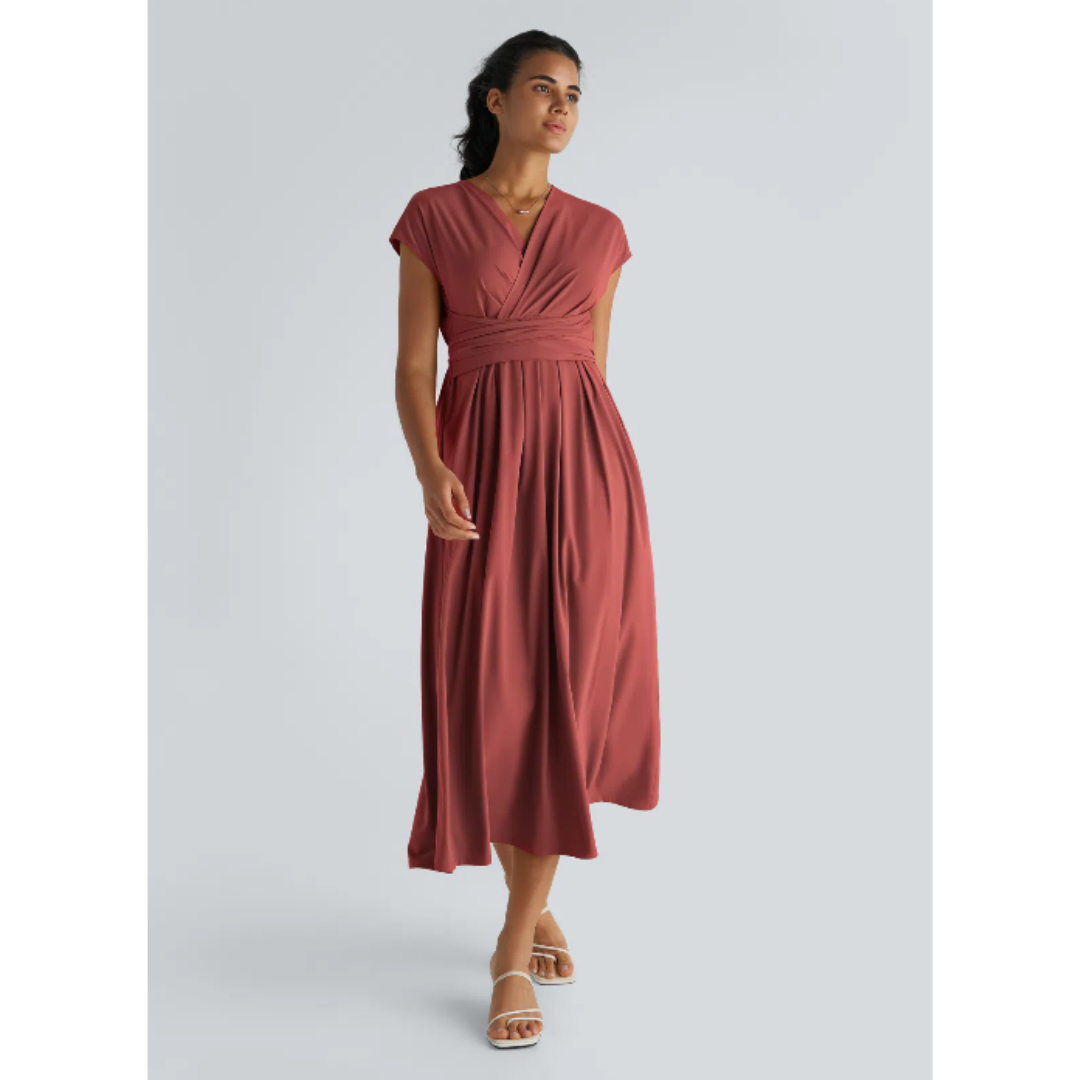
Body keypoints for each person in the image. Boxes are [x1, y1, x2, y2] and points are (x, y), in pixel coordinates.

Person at [390, 30, 661, 1049]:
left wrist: (587, 486)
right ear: (495, 101)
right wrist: (430, 468)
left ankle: (511, 941)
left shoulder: (602, 231)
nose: (561, 107)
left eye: (575, 95)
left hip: (588, 480)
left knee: (566, 696)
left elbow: (592, 369)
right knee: (492, 695)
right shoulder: (433, 217)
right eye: (543, 88)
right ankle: (533, 905)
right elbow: (413, 367)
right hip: (477, 477)